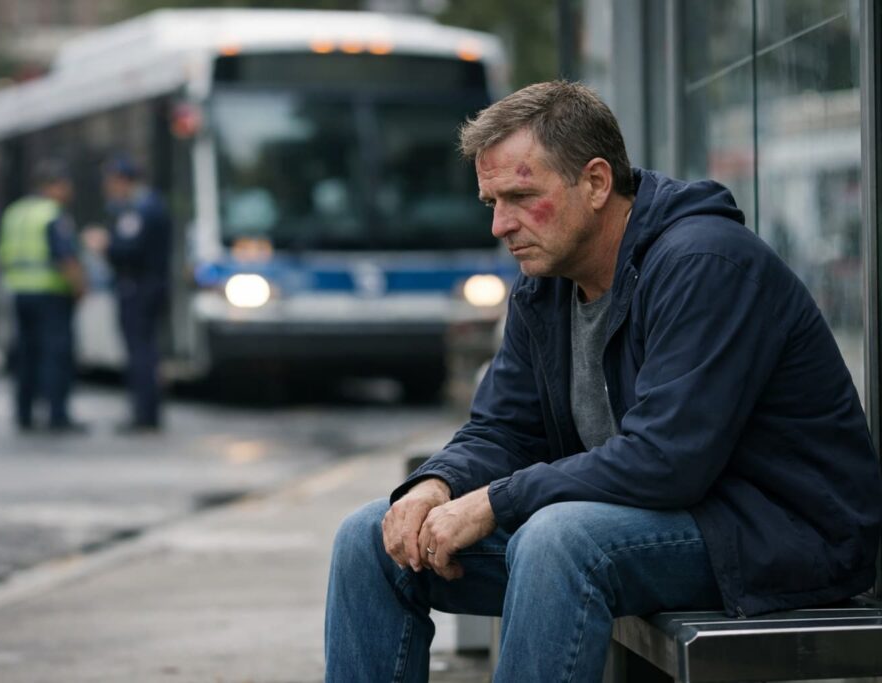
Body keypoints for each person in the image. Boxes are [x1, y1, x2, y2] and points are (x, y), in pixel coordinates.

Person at [324, 81, 882, 682]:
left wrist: (495, 502)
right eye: (492, 202)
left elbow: (668, 459)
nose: (500, 225)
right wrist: (438, 484)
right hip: (655, 525)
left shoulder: (704, 264)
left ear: (594, 183)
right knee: (371, 539)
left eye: (520, 195)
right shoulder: (546, 286)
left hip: (777, 535)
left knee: (558, 539)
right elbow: (503, 428)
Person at [0, 160, 86, 434]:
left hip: (21, 293)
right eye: (65, 185)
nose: (69, 191)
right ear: (53, 186)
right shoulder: (51, 214)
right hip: (50, 294)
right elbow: (65, 258)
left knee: (26, 355)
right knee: (55, 356)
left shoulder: (15, 212)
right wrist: (80, 288)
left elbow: (3, 254)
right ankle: (57, 415)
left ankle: (24, 414)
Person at [84, 156, 171, 433]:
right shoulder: (145, 206)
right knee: (143, 351)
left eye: (111, 182)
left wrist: (104, 245)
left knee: (140, 353)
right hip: (145, 286)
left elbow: (129, 250)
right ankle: (145, 411)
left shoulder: (140, 210)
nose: (108, 188)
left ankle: (144, 414)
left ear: (123, 181)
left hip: (139, 288)